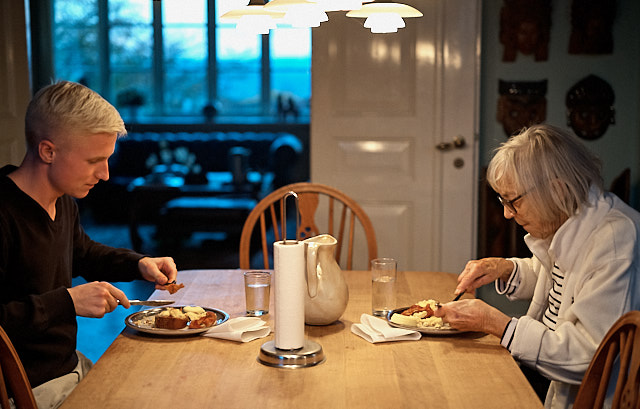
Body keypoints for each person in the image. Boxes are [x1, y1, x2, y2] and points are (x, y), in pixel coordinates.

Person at [434, 124, 640, 408]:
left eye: (513, 201)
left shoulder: (614, 242)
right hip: (552, 376)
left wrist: (496, 324)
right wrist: (505, 268)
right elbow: (562, 280)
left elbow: (588, 357)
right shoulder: (572, 217)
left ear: (555, 189)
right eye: (502, 201)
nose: (507, 214)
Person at [0, 81, 178, 408]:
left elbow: (83, 253)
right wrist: (67, 302)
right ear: (47, 151)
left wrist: (138, 263)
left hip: (69, 367)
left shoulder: (62, 201)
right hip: (26, 389)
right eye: (94, 160)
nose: (106, 174)